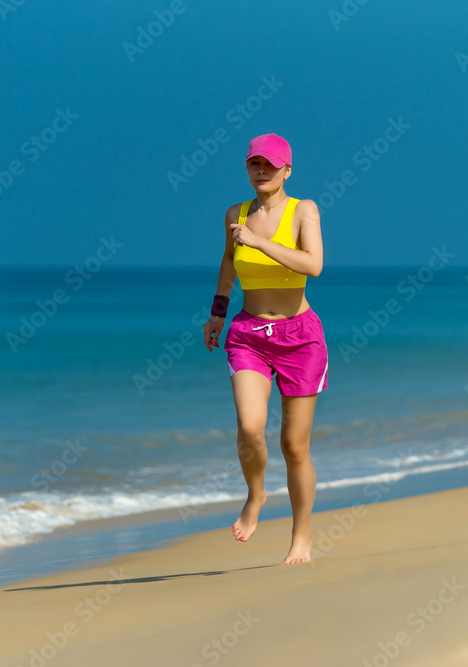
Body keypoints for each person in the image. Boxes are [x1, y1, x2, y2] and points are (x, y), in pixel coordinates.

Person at [202, 133, 327, 565]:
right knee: (250, 426)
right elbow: (226, 261)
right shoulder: (234, 215)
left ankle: (302, 535)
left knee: (294, 446)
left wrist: (260, 244)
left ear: (287, 170)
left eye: (270, 165)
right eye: (255, 164)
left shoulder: (302, 211)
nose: (262, 171)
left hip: (300, 337)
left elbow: (314, 264)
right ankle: (256, 495)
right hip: (249, 333)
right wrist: (218, 312)